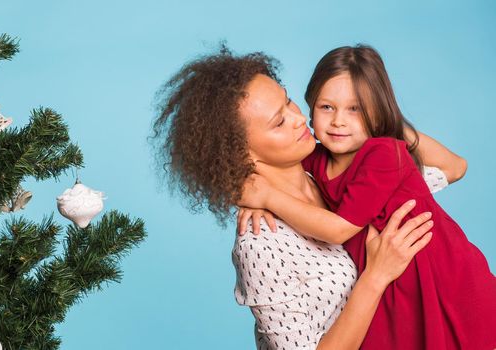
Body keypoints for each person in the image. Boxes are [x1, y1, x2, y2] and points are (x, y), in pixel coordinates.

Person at [151, 47, 461, 349]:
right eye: (279, 122)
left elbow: (451, 167)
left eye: (289, 103)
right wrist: (376, 277)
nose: (299, 119)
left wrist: (377, 115)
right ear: (240, 152)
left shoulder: (334, 174)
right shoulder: (261, 242)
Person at [238, 45, 496, 349]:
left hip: (444, 280)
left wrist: (267, 197)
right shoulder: (315, 163)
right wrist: (244, 193)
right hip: (397, 293)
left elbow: (339, 229)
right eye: (326, 107)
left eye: (356, 109)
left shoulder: (382, 154)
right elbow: (248, 167)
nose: (338, 122)